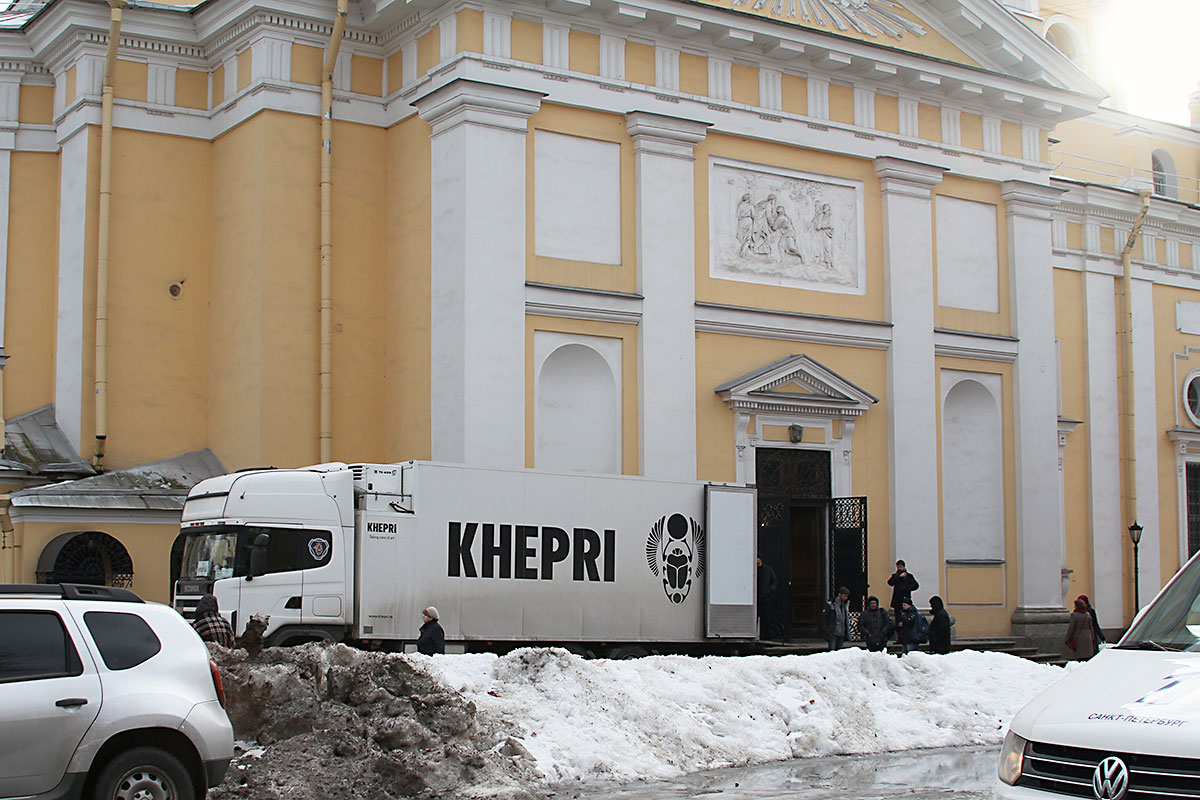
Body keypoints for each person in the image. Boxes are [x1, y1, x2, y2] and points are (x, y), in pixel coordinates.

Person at [820, 586, 851, 651]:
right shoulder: (830, 604)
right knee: (832, 650)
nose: (846, 598)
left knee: (840, 651)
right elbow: (824, 618)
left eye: (846, 596)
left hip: (842, 632)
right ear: (839, 594)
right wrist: (826, 630)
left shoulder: (845, 605)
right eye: (844, 596)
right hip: (833, 632)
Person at [756, 555, 779, 640]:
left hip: (765, 598)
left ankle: (766, 637)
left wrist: (769, 590)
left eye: (757, 558)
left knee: (766, 618)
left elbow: (774, 581)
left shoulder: (768, 570)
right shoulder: (754, 570)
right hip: (756, 597)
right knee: (755, 618)